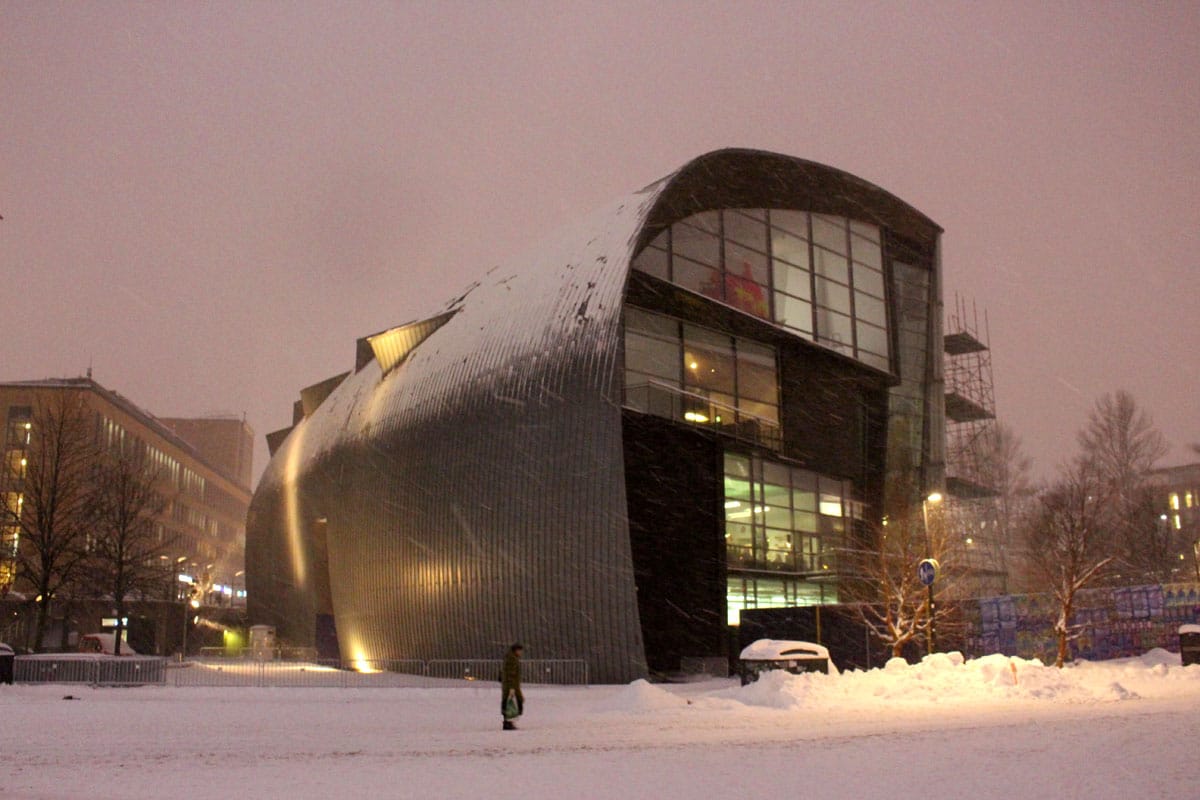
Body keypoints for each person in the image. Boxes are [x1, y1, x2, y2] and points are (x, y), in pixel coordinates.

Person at [501, 642, 524, 730]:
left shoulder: (511, 658)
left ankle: (508, 721)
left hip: (511, 685)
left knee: (510, 703)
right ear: (516, 650)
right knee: (511, 703)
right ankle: (508, 722)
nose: (521, 653)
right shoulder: (512, 659)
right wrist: (511, 687)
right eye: (520, 650)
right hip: (511, 685)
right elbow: (510, 674)